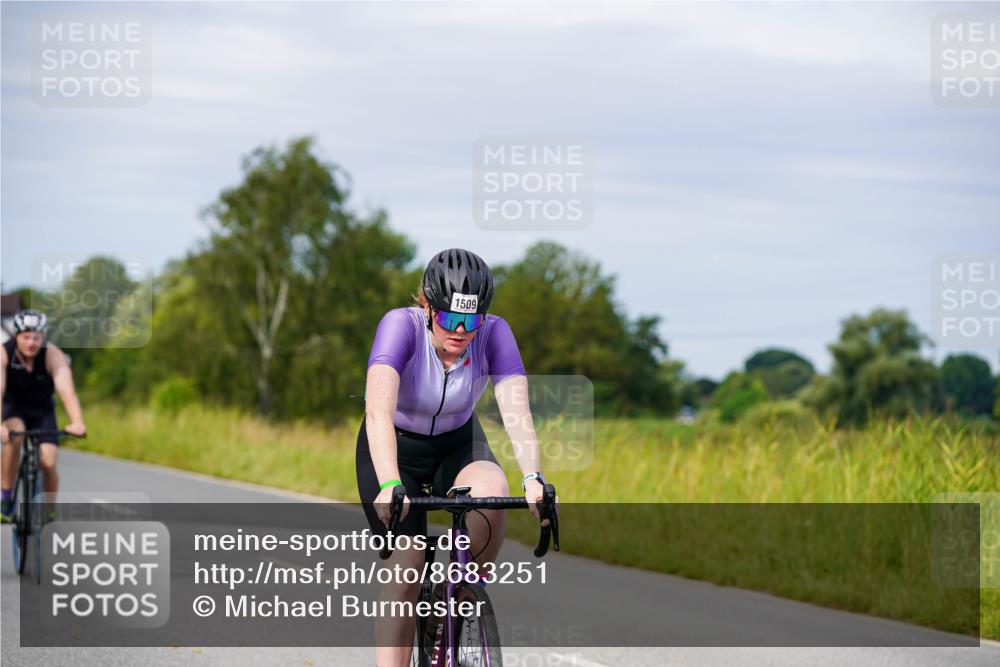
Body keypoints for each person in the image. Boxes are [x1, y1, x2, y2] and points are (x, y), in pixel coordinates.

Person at [357, 248, 548, 666]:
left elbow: (517, 412)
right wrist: (390, 483)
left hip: (457, 443)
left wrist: (533, 477)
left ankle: (458, 597)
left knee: (494, 493)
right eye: (450, 319)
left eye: (472, 321)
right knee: (406, 572)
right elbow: (377, 412)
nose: (461, 331)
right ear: (427, 307)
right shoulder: (399, 327)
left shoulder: (496, 334)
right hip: (395, 449)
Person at [0, 309, 87, 522]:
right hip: (13, 408)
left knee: (48, 461)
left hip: (42, 410)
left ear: (42, 337)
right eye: (26, 337)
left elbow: (67, 390)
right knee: (15, 436)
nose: (31, 342)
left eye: (36, 337)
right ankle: (7, 497)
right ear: (16, 336)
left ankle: (49, 511)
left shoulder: (52, 354)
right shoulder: (3, 353)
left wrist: (77, 422)